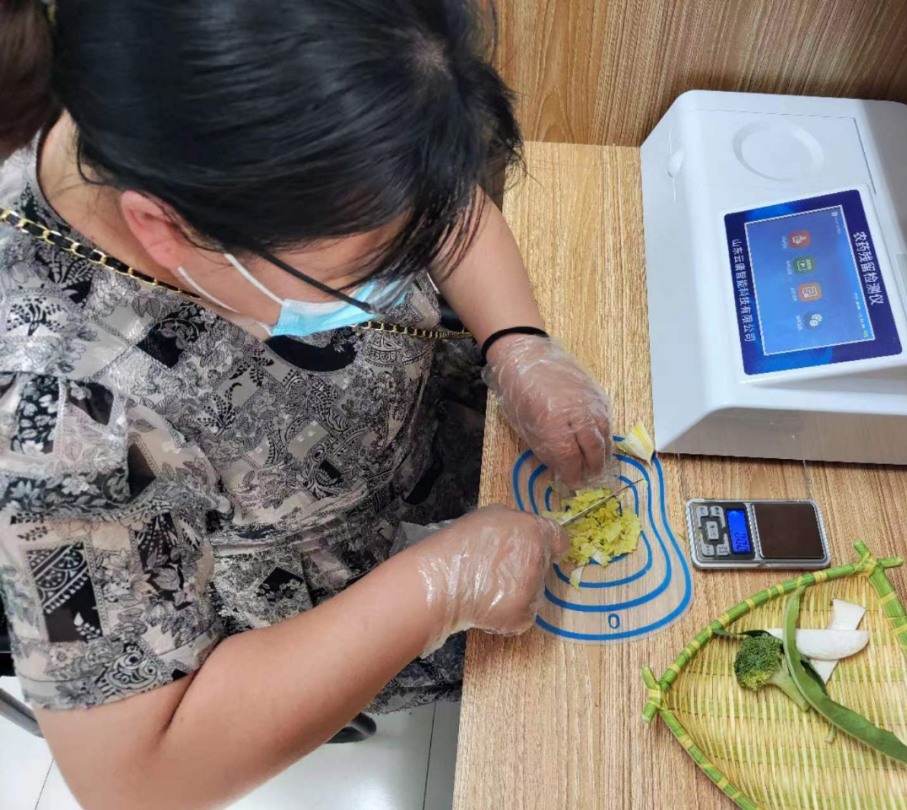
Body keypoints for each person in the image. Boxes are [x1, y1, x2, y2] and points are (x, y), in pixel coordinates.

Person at [0, 1, 612, 808]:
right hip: (336, 602)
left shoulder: (233, 100)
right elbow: (135, 778)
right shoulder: (61, 418)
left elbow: (436, 203)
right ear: (165, 230)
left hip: (447, 437)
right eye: (363, 269)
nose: (395, 272)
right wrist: (438, 588)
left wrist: (517, 341)